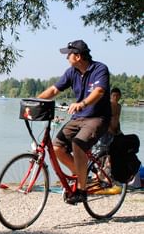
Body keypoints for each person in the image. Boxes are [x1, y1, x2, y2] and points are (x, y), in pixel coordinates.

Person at [38, 40, 111, 204]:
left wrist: (82, 103)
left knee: (78, 144)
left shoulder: (100, 69)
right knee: (57, 147)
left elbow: (99, 91)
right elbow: (54, 89)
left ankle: (82, 190)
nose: (66, 58)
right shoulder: (72, 72)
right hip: (78, 118)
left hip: (97, 118)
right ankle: (81, 173)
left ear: (78, 56)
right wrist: (36, 101)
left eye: (68, 55)